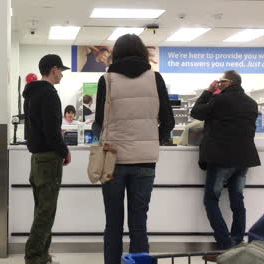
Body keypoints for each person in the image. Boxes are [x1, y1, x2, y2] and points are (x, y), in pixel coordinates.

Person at [92, 34, 175, 264]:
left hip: (112, 162)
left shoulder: (106, 80)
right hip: (145, 163)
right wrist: (151, 139)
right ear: (142, 52)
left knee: (113, 224)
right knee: (139, 224)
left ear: (116, 54)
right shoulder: (155, 78)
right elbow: (169, 122)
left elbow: (99, 120)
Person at [190, 71, 261, 261]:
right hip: (244, 158)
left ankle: (225, 246)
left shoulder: (220, 100)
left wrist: (208, 91)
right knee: (237, 201)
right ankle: (237, 243)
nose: (219, 84)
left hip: (222, 157)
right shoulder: (251, 103)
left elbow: (196, 112)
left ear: (229, 82)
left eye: (221, 82)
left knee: (211, 200)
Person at [23, 54, 72, 264]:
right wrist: (64, 151)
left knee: (41, 209)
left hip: (36, 159)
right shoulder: (50, 94)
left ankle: (43, 255)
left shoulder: (31, 93)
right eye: (61, 70)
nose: (62, 74)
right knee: (46, 212)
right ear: (53, 69)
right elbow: (52, 132)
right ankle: (34, 257)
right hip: (49, 160)